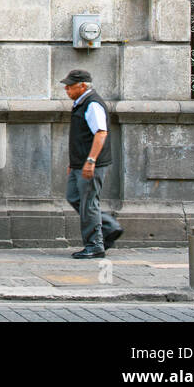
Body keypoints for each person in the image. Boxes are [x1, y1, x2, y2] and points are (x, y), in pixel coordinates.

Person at [61, 69, 123, 259]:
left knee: (89, 203)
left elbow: (101, 133)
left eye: (70, 87)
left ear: (83, 86)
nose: (67, 90)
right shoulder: (80, 104)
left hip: (90, 164)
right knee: (74, 197)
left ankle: (95, 244)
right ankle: (108, 226)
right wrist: (75, 162)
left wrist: (90, 161)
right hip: (79, 163)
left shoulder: (93, 104)